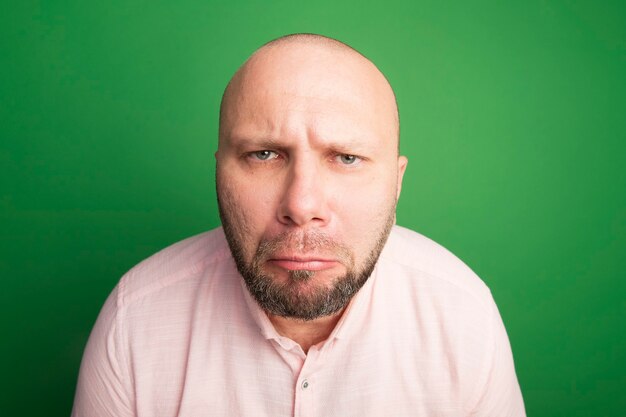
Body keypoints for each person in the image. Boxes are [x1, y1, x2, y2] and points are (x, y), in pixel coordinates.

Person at [72, 33, 525, 416]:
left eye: (347, 158)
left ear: (397, 182)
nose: (302, 205)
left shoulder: (465, 318)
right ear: (218, 172)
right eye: (264, 154)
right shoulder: (134, 322)